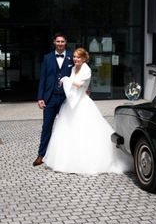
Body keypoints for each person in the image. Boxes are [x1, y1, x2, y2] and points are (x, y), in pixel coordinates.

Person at [43, 47, 131, 175]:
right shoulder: (73, 68)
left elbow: (79, 85)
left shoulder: (87, 70)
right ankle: (67, 160)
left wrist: (66, 79)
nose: (75, 59)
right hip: (71, 102)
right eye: (74, 57)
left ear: (84, 58)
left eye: (78, 57)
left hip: (82, 102)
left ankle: (87, 162)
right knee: (67, 130)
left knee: (85, 130)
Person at [34, 33, 73, 166]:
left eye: (62, 41)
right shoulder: (47, 58)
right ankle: (41, 155)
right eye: (58, 41)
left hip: (66, 98)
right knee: (46, 127)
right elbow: (43, 78)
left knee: (66, 127)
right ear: (54, 42)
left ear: (66, 42)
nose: (60, 43)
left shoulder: (72, 57)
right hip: (50, 98)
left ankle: (66, 155)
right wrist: (40, 97)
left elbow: (78, 74)